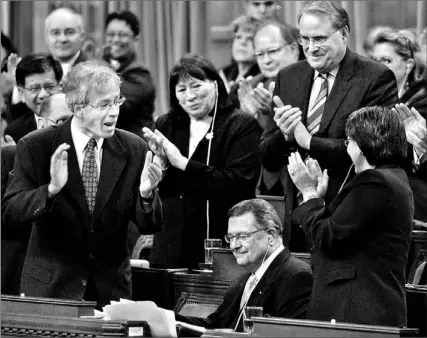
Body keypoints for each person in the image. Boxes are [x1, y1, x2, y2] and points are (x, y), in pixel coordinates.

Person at [1, 60, 164, 308]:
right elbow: (10, 213)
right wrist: (50, 190)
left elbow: (149, 224)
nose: (114, 112)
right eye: (103, 104)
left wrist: (145, 195)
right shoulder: (36, 146)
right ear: (78, 108)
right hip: (52, 292)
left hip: (110, 293)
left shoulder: (134, 148)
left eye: (117, 101)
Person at [260, 1, 399, 251]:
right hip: (299, 216)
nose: (311, 48)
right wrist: (284, 135)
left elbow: (376, 152)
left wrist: (309, 142)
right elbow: (267, 158)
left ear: (344, 33)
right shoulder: (288, 77)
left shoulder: (375, 78)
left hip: (349, 215)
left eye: (320, 38)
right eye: (305, 39)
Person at [288, 106, 413, 326]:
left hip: (356, 308)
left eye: (349, 142)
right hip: (361, 306)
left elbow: (329, 237)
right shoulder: (392, 178)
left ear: (362, 145)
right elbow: (346, 231)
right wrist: (320, 201)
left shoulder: (376, 181)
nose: (348, 149)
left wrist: (307, 193)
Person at [142, 55, 262, 269]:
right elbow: (164, 188)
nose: (190, 96)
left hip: (220, 242)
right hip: (171, 244)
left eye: (196, 86)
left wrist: (183, 163)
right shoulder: (166, 124)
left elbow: (238, 184)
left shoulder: (241, 125)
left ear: (215, 85)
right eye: (181, 90)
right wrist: (162, 164)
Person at [175, 198, 313, 332]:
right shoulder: (241, 282)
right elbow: (214, 326)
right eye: (230, 237)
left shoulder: (297, 277)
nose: (234, 246)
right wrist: (167, 319)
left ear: (270, 235)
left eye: (242, 236)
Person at [102, 10, 156, 135]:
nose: (115, 40)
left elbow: (112, 102)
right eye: (111, 34)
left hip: (135, 148)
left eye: (122, 35)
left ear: (135, 40)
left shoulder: (141, 76)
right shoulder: (107, 65)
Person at [4, 53, 63, 143]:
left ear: (60, 87)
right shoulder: (15, 132)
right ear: (22, 93)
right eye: (35, 88)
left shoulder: (76, 123)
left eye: (49, 86)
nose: (43, 94)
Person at [371, 30, 426, 117]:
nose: (377, 66)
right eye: (374, 60)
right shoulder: (372, 94)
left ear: (409, 65)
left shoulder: (421, 101)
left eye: (386, 60)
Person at [219, 16, 261, 93]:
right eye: (238, 37)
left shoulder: (262, 79)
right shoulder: (223, 73)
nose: (242, 43)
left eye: (250, 39)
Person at [44, 7, 87, 76]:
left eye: (69, 32)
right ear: (46, 37)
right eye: (56, 33)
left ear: (81, 36)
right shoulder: (37, 70)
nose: (62, 39)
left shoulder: (97, 71)